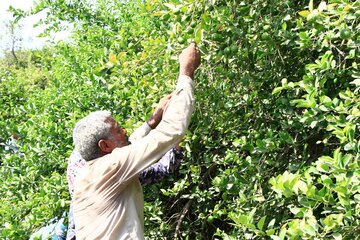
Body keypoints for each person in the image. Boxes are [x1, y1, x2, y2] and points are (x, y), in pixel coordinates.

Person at [71, 43, 200, 239]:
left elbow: (130, 145)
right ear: (104, 146)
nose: (124, 131)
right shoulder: (112, 166)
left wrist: (152, 121)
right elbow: (172, 130)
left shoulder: (88, 171)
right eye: (117, 129)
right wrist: (186, 72)